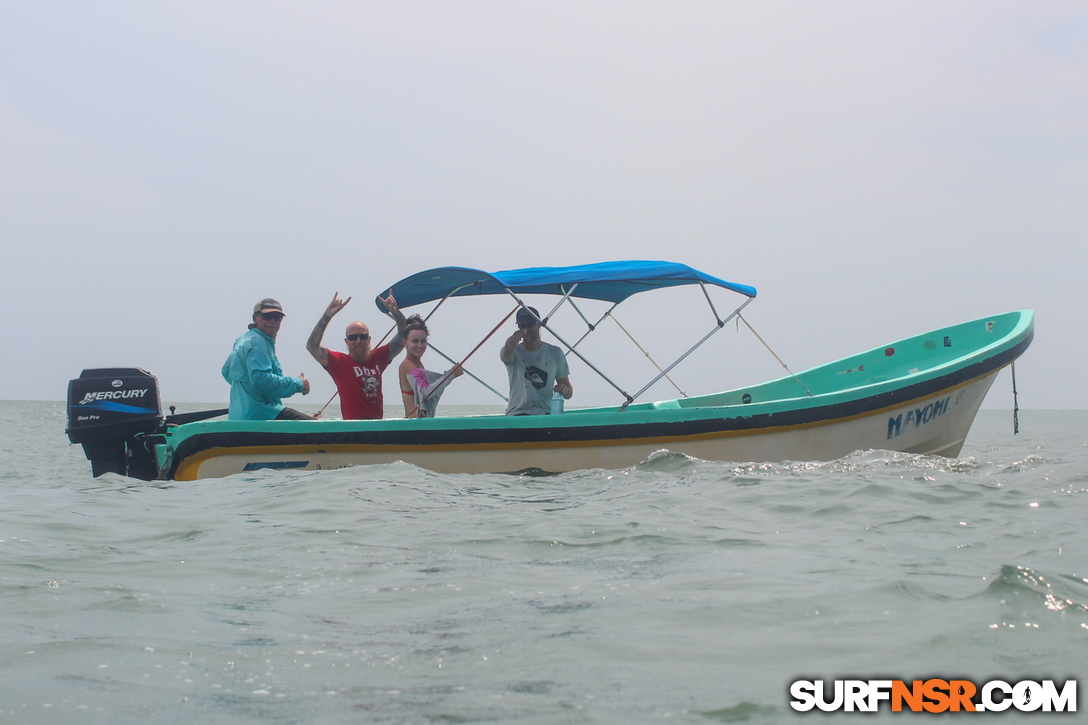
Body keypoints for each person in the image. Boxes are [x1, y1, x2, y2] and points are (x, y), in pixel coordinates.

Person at [306, 291, 407, 419]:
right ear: (346, 341)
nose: (358, 341)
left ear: (369, 339)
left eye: (362, 337)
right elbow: (312, 346)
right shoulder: (338, 362)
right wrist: (327, 316)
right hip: (352, 428)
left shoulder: (379, 357)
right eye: (353, 337)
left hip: (376, 427)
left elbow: (404, 336)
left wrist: (395, 312)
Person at [222, 298, 312, 420]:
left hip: (238, 416)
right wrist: (298, 384)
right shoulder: (257, 342)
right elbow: (261, 380)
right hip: (261, 415)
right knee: (318, 428)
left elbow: (227, 372)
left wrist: (247, 392)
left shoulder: (243, 340)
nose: (272, 321)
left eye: (277, 317)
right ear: (255, 318)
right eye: (267, 316)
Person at [500, 306, 573, 416]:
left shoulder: (555, 353)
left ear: (539, 324)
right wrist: (513, 340)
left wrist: (564, 390)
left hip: (545, 414)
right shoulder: (514, 352)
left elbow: (569, 393)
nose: (526, 330)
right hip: (518, 414)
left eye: (530, 325)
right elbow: (506, 355)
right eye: (522, 326)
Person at [398, 315, 464, 418]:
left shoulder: (418, 365)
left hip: (422, 424)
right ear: (405, 342)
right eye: (415, 341)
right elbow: (425, 393)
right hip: (413, 427)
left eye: (423, 341)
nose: (420, 346)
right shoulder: (408, 365)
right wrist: (450, 374)